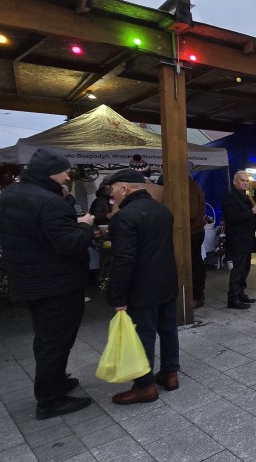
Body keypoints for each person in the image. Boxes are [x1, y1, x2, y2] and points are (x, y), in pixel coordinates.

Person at [0, 149, 95, 420]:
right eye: (64, 172)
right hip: (57, 282)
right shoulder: (48, 202)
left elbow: (36, 233)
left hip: (29, 280)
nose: (67, 177)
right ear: (50, 173)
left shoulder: (10, 195)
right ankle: (50, 399)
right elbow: (70, 244)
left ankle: (56, 382)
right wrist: (85, 225)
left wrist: (66, 208)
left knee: (45, 337)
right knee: (56, 341)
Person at [102, 169, 180, 404]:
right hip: (167, 280)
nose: (112, 195)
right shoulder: (162, 210)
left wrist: (117, 295)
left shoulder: (124, 217)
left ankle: (145, 386)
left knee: (143, 334)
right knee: (168, 328)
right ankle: (170, 373)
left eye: (113, 190)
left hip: (142, 285)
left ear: (124, 188)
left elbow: (124, 259)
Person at [223, 171, 256, 309]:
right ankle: (233, 298)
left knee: (245, 268)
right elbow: (233, 218)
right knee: (238, 269)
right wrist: (252, 211)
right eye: (242, 180)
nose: (245, 183)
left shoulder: (245, 196)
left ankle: (240, 293)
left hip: (247, 239)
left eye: (247, 181)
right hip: (238, 239)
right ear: (235, 182)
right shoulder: (231, 197)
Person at [188, 175, 207, 309]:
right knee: (196, 262)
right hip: (194, 230)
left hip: (193, 231)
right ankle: (197, 294)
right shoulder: (192, 185)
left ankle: (197, 295)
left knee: (195, 264)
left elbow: (192, 213)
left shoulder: (189, 187)